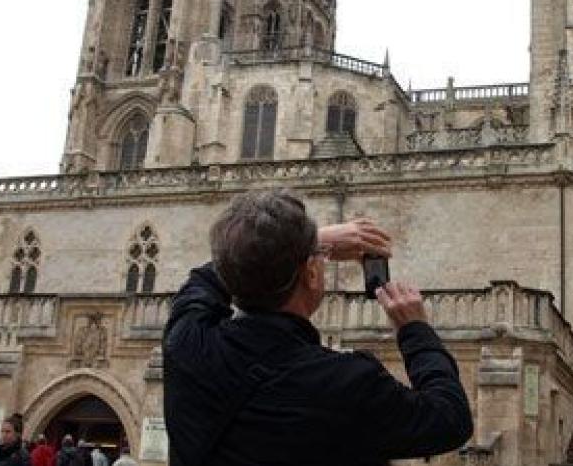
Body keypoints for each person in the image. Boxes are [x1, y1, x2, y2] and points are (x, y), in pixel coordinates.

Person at [164, 190, 473, 466]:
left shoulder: (187, 345)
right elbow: (449, 420)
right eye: (318, 259)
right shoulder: (345, 382)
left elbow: (208, 276)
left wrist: (307, 243)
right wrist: (415, 329)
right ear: (311, 273)